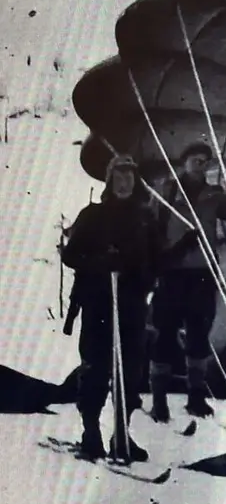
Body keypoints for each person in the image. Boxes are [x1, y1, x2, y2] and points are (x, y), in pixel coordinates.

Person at [148, 142, 226, 422]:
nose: (200, 165)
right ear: (184, 162)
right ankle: (159, 399)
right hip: (172, 273)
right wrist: (165, 255)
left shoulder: (213, 196)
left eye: (205, 161)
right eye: (195, 160)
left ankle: (196, 396)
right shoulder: (167, 190)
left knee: (198, 336)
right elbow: (151, 227)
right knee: (164, 336)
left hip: (203, 275)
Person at [60, 155, 156, 462]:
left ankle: (121, 434)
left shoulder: (145, 218)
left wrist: (144, 275)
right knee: (97, 368)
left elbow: (155, 258)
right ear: (110, 180)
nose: (125, 182)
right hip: (99, 302)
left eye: (130, 176)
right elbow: (71, 255)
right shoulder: (93, 215)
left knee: (130, 372)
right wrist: (101, 262)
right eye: (119, 176)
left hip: (132, 305)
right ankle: (91, 432)